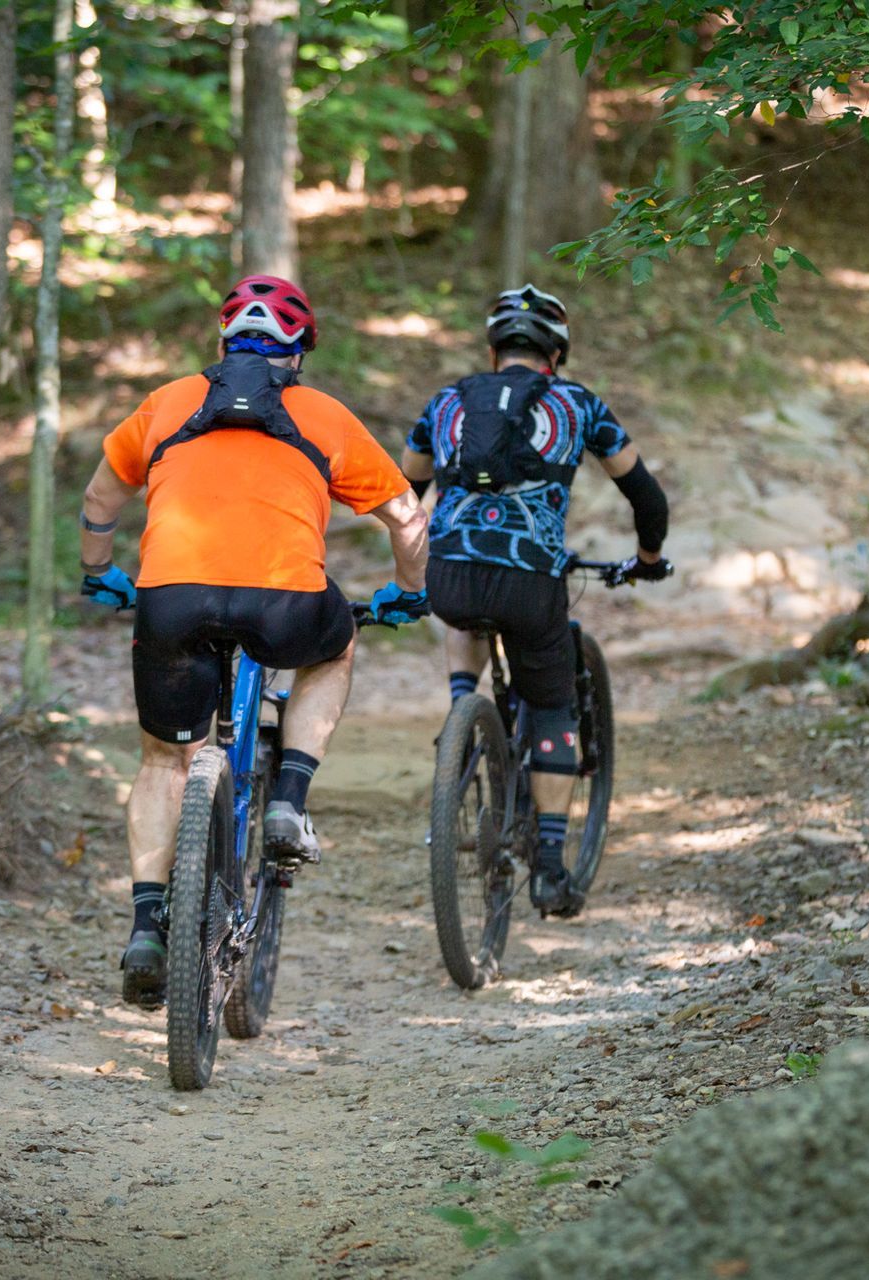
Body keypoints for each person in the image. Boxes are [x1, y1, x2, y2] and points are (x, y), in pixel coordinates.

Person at [77, 274, 430, 1006]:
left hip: (171, 599)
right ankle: (287, 802)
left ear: (221, 344)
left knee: (164, 760)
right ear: (299, 354)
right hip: (286, 602)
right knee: (333, 650)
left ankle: (147, 925)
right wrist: (410, 590)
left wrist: (99, 573)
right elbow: (406, 516)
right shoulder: (324, 415)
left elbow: (99, 499)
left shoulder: (168, 403)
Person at [399, 284, 671, 917]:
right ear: (557, 352)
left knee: (460, 605)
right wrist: (649, 560)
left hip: (454, 575)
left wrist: (423, 559)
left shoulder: (446, 403)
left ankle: (462, 712)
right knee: (553, 704)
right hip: (532, 581)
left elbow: (404, 492)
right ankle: (550, 869)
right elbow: (647, 497)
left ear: (496, 350)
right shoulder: (579, 405)